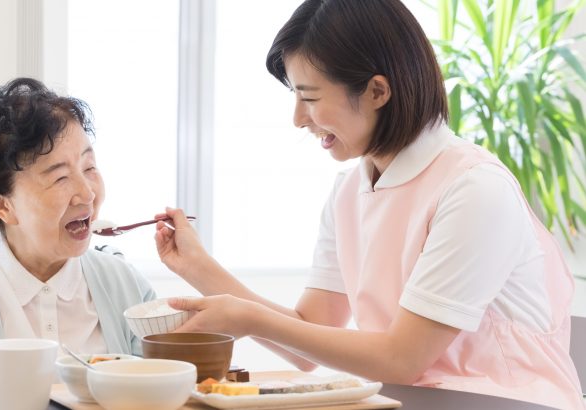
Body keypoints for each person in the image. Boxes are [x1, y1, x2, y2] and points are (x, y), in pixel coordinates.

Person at [153, 1, 584, 408]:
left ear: (378, 90)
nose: (298, 118)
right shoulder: (348, 192)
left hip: (500, 402)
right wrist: (197, 268)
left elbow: (402, 358)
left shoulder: (474, 189)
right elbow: (309, 335)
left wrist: (250, 319)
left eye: (311, 97)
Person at [0, 78, 155, 409]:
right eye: (60, 177)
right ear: (2, 204)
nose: (87, 193)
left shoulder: (128, 290)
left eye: (89, 167)